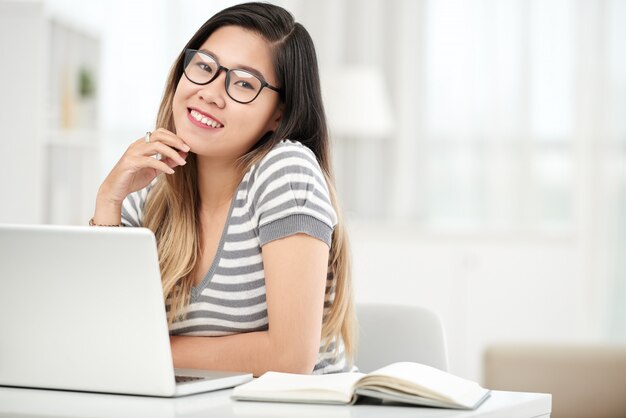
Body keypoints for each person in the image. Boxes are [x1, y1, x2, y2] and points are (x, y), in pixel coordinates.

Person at [91, 2, 355, 376]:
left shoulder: (285, 172)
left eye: (244, 83)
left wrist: (139, 349)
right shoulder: (150, 196)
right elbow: (98, 334)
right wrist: (109, 200)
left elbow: (290, 359)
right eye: (204, 66)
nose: (212, 93)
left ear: (278, 115)